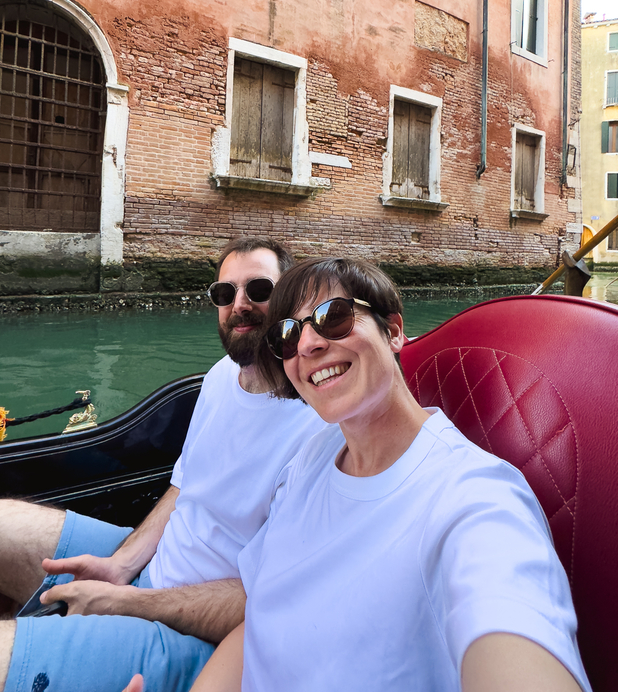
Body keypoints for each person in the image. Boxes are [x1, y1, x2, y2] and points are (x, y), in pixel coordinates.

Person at [186, 256, 591, 692]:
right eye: (288, 334)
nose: (306, 345)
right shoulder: (311, 458)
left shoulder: (475, 501)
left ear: (394, 331)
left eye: (333, 318)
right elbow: (260, 620)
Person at [0, 238, 325, 692]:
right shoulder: (221, 376)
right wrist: (122, 565)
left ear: (291, 300)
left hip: (202, 634)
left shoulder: (320, 428)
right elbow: (184, 488)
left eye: (258, 289)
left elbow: (270, 601)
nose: (239, 305)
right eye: (224, 294)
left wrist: (128, 603)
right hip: (150, 572)